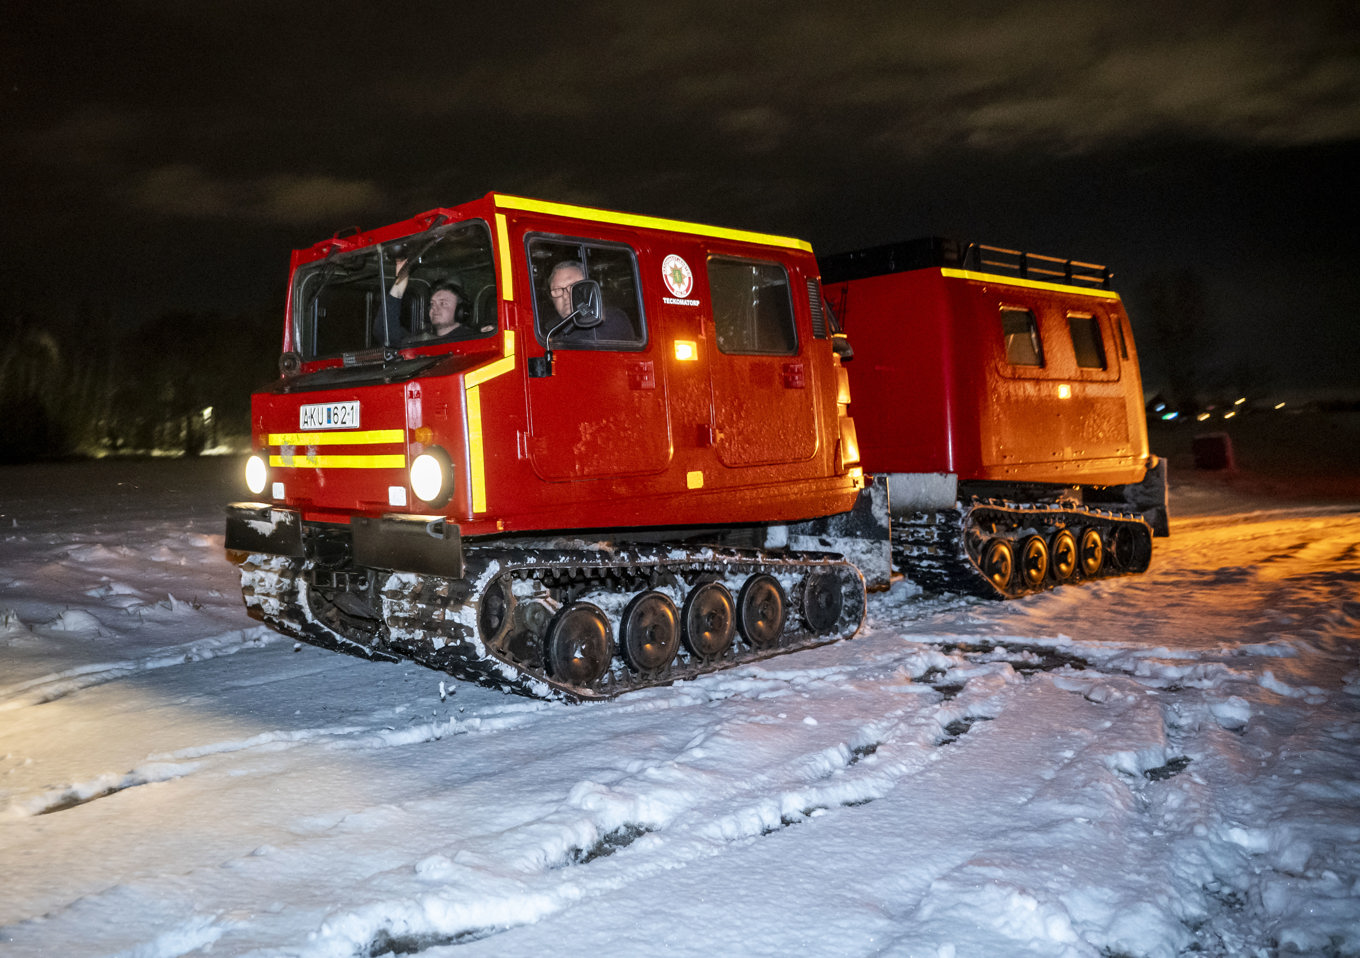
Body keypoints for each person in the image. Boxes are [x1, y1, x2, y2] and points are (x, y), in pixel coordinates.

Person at [544, 260, 635, 343]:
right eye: (557, 290)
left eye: (572, 287)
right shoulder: (549, 329)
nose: (565, 295)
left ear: (589, 289)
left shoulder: (612, 318)